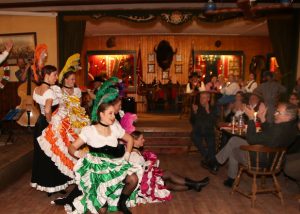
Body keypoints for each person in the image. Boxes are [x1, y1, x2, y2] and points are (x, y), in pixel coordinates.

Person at [68, 80, 141, 214]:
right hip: (96, 171)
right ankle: (100, 201)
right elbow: (71, 148)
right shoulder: (89, 131)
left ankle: (121, 203)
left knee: (133, 179)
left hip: (113, 164)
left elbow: (130, 139)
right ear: (101, 114)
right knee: (103, 209)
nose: (114, 117)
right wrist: (78, 154)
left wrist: (127, 155)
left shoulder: (114, 128)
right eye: (110, 114)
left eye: (114, 113)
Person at [207, 102, 298, 188]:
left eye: (278, 112)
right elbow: (269, 131)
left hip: (261, 159)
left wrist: (251, 118)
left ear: (288, 116)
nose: (275, 114)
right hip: (273, 158)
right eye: (276, 111)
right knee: (234, 140)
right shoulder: (291, 128)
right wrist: (262, 118)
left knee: (234, 150)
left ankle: (230, 178)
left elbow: (251, 139)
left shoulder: (278, 130)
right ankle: (215, 162)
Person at [129, 131, 209, 203]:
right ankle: (196, 184)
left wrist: (150, 165)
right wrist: (150, 165)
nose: (144, 140)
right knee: (168, 177)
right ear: (135, 141)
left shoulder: (135, 151)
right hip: (143, 183)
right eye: (141, 139)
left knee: (169, 183)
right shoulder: (133, 155)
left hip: (146, 179)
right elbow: (138, 173)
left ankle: (195, 185)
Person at [31, 65, 72, 194]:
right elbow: (48, 110)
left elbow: (41, 107)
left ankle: (47, 184)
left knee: (43, 154)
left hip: (39, 124)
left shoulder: (36, 89)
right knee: (54, 153)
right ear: (47, 75)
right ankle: (54, 184)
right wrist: (51, 122)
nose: (56, 77)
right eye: (54, 75)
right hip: (48, 124)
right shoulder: (49, 91)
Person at [190, 91, 218, 166]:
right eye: (201, 98)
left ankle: (212, 161)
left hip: (208, 130)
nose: (201, 100)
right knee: (194, 136)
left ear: (208, 99)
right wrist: (195, 112)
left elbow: (214, 122)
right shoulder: (197, 107)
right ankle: (207, 156)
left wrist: (208, 111)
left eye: (204, 98)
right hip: (198, 130)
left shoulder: (213, 107)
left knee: (211, 143)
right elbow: (192, 121)